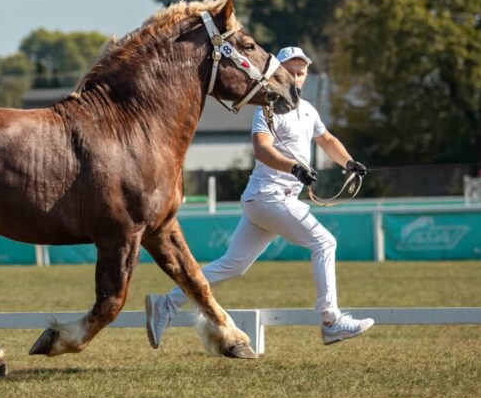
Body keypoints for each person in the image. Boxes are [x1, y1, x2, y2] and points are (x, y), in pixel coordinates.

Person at [145, 46, 373, 348]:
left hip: (268, 201)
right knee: (324, 242)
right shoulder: (266, 108)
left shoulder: (308, 110)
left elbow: (326, 139)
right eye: (290, 70)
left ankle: (167, 304)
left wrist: (349, 163)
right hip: (268, 197)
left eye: (301, 71)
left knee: (233, 265)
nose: (297, 76)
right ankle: (330, 321)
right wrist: (294, 168)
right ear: (278, 72)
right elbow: (262, 149)